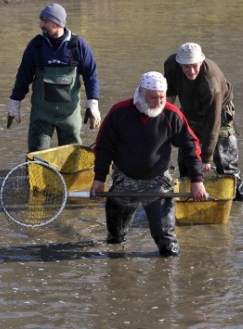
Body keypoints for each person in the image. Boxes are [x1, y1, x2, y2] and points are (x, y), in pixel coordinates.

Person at [89, 71, 207, 257]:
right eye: (153, 98)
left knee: (168, 247)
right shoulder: (119, 112)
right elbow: (103, 148)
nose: (158, 102)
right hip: (124, 181)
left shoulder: (171, 114)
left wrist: (197, 180)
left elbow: (191, 146)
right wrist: (99, 179)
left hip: (158, 182)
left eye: (162, 97)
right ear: (141, 93)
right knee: (115, 240)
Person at [7, 3, 101, 152]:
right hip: (41, 114)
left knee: (71, 155)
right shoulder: (35, 45)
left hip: (69, 114)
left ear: (57, 23)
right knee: (37, 154)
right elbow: (23, 76)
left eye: (45, 21)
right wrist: (14, 103)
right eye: (41, 20)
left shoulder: (78, 45)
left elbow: (91, 76)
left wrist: (93, 104)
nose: (41, 24)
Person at [163, 42, 243, 201]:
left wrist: (205, 158)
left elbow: (213, 122)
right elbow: (168, 96)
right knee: (186, 160)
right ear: (179, 63)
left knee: (226, 164)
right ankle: (189, 198)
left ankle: (240, 202)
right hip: (189, 109)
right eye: (186, 67)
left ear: (201, 61)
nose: (191, 71)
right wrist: (163, 124)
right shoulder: (171, 65)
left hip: (219, 112)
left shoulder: (211, 81)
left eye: (195, 66)